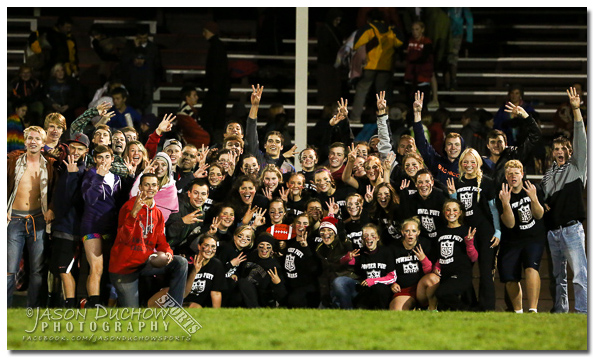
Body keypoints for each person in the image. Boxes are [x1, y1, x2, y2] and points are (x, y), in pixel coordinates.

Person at [109, 173, 188, 308]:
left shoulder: (157, 213)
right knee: (131, 316)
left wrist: (167, 251)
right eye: (146, 184)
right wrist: (133, 214)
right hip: (124, 269)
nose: (150, 188)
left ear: (158, 188)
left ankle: (175, 309)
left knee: (180, 263)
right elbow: (124, 238)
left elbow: (161, 241)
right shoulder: (129, 206)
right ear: (140, 187)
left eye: (153, 185)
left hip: (143, 263)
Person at [541, 87, 587, 314]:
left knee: (579, 274)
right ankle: (560, 312)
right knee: (557, 278)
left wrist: (576, 110)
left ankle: (583, 313)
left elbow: (580, 137)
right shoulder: (547, 175)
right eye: (556, 149)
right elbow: (545, 202)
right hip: (553, 232)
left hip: (571, 230)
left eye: (563, 148)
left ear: (570, 151)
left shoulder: (577, 168)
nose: (559, 151)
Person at [7, 126, 57, 307]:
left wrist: (51, 208)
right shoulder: (12, 160)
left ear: (43, 143)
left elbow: (57, 190)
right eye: (29, 138)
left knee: (38, 270)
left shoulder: (50, 164)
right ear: (25, 140)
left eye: (37, 138)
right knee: (9, 269)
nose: (33, 141)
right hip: (14, 219)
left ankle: (33, 310)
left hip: (38, 220)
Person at [446, 148, 501, 311]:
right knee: (464, 270)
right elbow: (454, 210)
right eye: (465, 161)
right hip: (465, 232)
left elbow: (494, 210)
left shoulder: (487, 182)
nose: (469, 165)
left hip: (485, 232)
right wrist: (453, 195)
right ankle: (468, 304)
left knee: (485, 271)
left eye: (472, 161)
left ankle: (486, 307)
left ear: (478, 163)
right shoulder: (456, 182)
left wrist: (498, 230)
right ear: (461, 163)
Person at [80, 145, 131, 307]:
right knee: (97, 268)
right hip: (91, 226)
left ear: (112, 159)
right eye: (100, 157)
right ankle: (94, 305)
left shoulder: (117, 178)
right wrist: (98, 178)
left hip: (110, 228)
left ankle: (107, 304)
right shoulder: (90, 175)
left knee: (110, 270)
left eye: (107, 157)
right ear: (95, 159)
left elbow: (121, 203)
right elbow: (89, 199)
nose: (103, 161)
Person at [497, 160, 546, 313]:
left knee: (531, 268)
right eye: (510, 174)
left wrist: (534, 198)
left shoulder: (533, 188)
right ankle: (518, 311)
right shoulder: (502, 194)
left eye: (516, 173)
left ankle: (533, 309)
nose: (513, 176)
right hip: (512, 239)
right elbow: (509, 223)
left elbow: (539, 215)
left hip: (533, 237)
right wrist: (505, 203)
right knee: (509, 276)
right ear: (506, 176)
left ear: (522, 174)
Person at [49, 133, 90, 308]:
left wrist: (73, 175)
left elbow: (68, 200)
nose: (75, 151)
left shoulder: (82, 171)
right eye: (72, 147)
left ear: (86, 151)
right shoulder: (67, 167)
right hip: (60, 227)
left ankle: (70, 307)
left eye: (79, 148)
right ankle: (61, 304)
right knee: (58, 269)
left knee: (64, 270)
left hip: (70, 229)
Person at [351, 8, 403, 123]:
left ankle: (355, 117)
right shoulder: (390, 30)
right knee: (382, 95)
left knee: (362, 90)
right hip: (385, 66)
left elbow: (356, 45)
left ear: (369, 18)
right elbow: (399, 43)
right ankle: (384, 118)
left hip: (369, 65)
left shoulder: (368, 29)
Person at [425, 199, 478, 311]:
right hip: (445, 274)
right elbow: (440, 254)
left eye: (455, 210)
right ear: (444, 213)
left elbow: (474, 257)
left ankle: (468, 312)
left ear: (459, 213)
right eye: (448, 210)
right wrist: (437, 266)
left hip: (461, 274)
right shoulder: (440, 231)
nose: (451, 213)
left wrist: (469, 242)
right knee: (444, 308)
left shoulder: (466, 231)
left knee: (442, 294)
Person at [482, 102, 541, 185]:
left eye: (499, 142)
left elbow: (535, 136)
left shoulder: (514, 155)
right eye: (492, 142)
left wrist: (526, 116)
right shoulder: (481, 163)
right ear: (488, 145)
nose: (496, 145)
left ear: (506, 143)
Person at [412, 91, 464, 185]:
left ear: (462, 147)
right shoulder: (436, 162)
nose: (453, 148)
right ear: (444, 147)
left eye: (457, 144)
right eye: (449, 144)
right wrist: (417, 114)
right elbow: (422, 144)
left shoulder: (467, 166)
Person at [342, 223, 396, 309]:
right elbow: (344, 262)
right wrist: (347, 257)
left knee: (379, 288)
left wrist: (373, 281)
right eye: (366, 235)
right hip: (366, 290)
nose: (369, 238)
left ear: (378, 238)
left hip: (383, 290)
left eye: (372, 235)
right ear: (363, 238)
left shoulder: (386, 252)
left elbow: (392, 277)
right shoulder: (360, 253)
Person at [389, 217, 432, 310]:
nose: (410, 234)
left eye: (413, 231)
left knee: (434, 279)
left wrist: (423, 259)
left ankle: (431, 308)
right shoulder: (393, 248)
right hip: (404, 289)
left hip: (421, 288)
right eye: (407, 231)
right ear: (402, 232)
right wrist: (393, 283)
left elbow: (429, 272)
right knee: (396, 311)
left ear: (418, 232)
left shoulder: (425, 244)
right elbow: (389, 271)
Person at [281, 214, 321, 308]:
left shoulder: (313, 244)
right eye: (298, 223)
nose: (301, 226)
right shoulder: (289, 242)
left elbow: (315, 269)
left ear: (309, 227)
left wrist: (306, 247)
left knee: (293, 300)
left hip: (306, 288)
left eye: (305, 223)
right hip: (290, 286)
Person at [237, 233, 287, 308]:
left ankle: (256, 310)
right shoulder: (251, 256)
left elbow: (282, 295)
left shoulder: (275, 265)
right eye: (261, 245)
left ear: (272, 248)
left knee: (244, 282)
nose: (264, 248)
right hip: (246, 292)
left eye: (268, 245)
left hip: (263, 298)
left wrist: (278, 283)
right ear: (257, 246)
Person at [179, 233, 225, 308]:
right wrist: (194, 271)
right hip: (181, 301)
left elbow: (216, 293)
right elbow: (184, 294)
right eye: (206, 245)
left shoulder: (216, 265)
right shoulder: (187, 262)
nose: (210, 249)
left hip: (200, 305)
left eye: (213, 246)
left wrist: (217, 316)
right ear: (199, 246)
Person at [201, 21, 230, 137]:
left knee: (212, 115)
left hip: (217, 88)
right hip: (219, 87)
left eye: (205, 31)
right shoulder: (217, 46)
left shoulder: (216, 46)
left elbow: (215, 69)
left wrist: (212, 85)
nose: (203, 34)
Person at [316, 8, 343, 105]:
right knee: (328, 86)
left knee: (331, 87)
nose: (338, 22)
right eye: (337, 20)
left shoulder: (329, 29)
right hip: (328, 62)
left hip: (329, 62)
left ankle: (330, 104)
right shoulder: (327, 30)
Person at [404, 22, 434, 106]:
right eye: (413, 29)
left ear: (422, 30)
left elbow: (424, 57)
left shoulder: (427, 42)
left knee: (421, 105)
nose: (414, 32)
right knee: (410, 104)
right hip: (410, 76)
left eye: (417, 29)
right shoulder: (409, 40)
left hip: (422, 77)